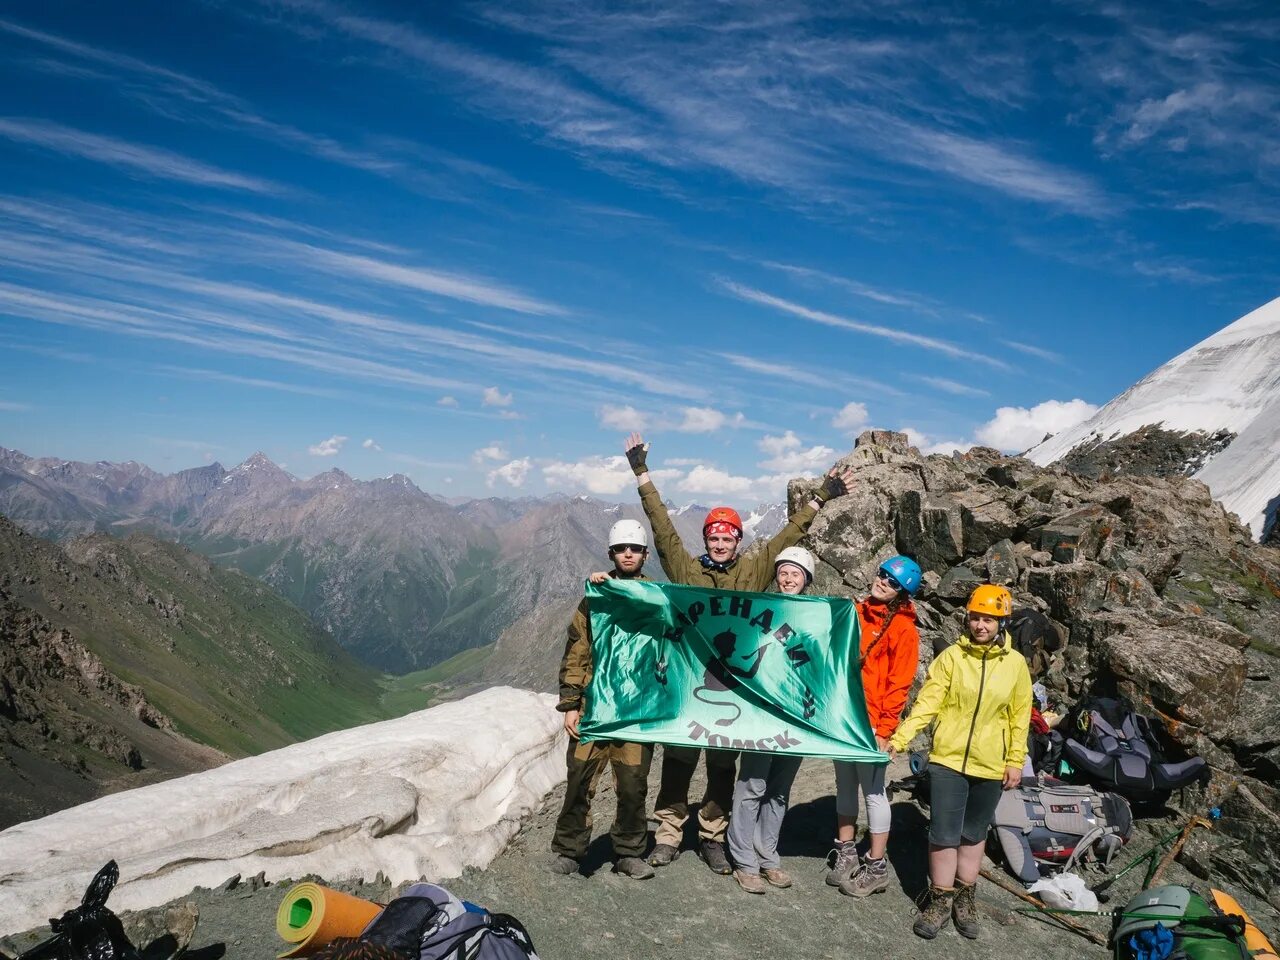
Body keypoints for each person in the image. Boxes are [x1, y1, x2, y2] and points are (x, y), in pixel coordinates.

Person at [619, 431, 855, 875]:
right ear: (707, 540)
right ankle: (669, 834)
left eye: (728, 538)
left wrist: (822, 496)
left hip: (737, 692)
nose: (720, 544)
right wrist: (642, 473)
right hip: (691, 687)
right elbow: (663, 528)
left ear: (738, 541)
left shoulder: (753, 570)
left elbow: (791, 532)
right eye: (714, 537)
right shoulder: (686, 569)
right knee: (679, 759)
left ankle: (711, 835)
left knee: (723, 767)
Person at [888, 584, 1033, 940]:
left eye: (988, 619)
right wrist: (901, 738)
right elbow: (928, 703)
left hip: (990, 765)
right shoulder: (951, 657)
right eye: (975, 617)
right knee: (943, 833)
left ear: (1001, 622)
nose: (980, 625)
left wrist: (1015, 760)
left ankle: (965, 899)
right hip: (948, 761)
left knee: (973, 835)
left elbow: (1020, 716)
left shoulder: (1015, 665)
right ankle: (939, 900)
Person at [549, 519, 656, 879]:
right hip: (593, 706)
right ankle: (569, 849)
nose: (629, 554)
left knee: (632, 784)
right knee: (579, 777)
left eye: (635, 549)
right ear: (611, 553)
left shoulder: (658, 599)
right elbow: (577, 649)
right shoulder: (595, 597)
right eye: (622, 549)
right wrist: (570, 703)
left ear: (645, 554)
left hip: (636, 711)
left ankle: (629, 851)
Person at [828, 555, 922, 898]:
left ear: (902, 593)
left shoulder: (904, 630)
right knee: (844, 784)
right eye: (882, 574)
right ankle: (846, 850)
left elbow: (899, 684)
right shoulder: (855, 612)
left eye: (892, 582)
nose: (882, 582)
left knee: (873, 791)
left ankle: (876, 865)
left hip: (871, 726)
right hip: (846, 718)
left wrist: (884, 731)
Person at [726, 546, 815, 894]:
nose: (788, 578)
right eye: (783, 572)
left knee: (779, 790)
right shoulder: (763, 611)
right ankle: (744, 860)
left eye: (796, 573)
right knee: (753, 785)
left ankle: (768, 855)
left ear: (806, 580)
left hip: (797, 717)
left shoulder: (817, 616)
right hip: (762, 716)